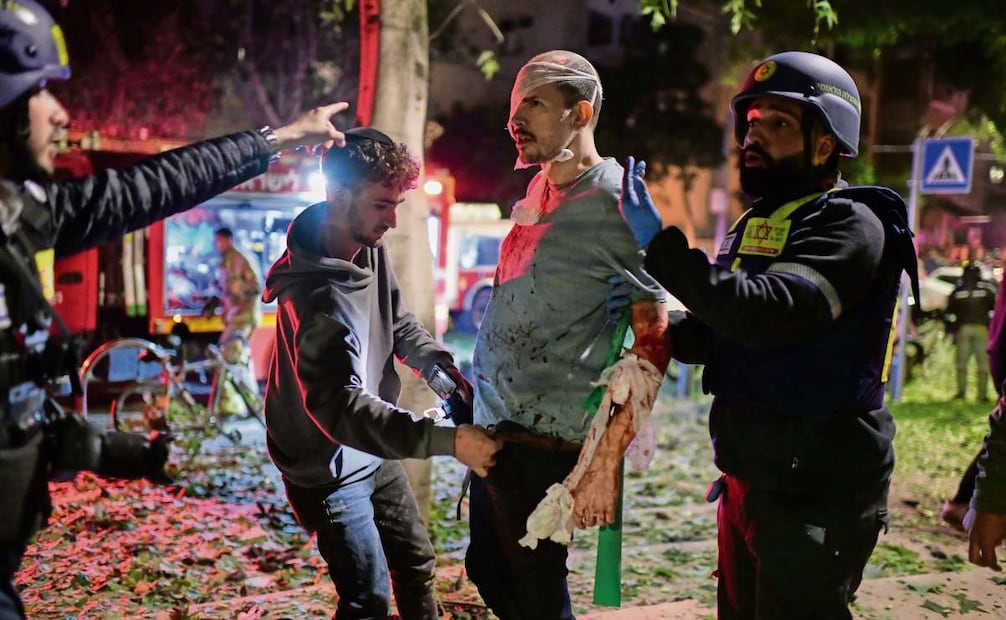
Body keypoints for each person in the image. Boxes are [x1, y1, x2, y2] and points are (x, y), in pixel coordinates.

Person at [0, 2, 350, 617]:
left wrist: (278, 139)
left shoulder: (20, 219)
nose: (60, 113)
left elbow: (153, 186)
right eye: (40, 92)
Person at [619, 51, 919, 619]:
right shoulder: (760, 225)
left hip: (819, 489)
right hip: (752, 481)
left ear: (825, 143)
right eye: (752, 122)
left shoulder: (851, 225)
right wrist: (646, 323)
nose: (754, 136)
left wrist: (663, 250)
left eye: (779, 123)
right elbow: (721, 334)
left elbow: (773, 312)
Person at [261, 126, 502, 619]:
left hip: (370, 448)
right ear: (337, 196)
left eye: (396, 204)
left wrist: (440, 372)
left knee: (415, 563)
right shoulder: (317, 302)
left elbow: (398, 323)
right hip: (325, 467)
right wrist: (450, 442)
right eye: (381, 205)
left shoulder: (366, 244)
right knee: (367, 599)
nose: (393, 220)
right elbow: (341, 409)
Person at [465, 50, 670, 619]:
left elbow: (653, 341)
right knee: (487, 569)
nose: (515, 119)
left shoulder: (615, 202)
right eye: (514, 105)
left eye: (533, 103)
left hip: (544, 446)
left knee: (536, 597)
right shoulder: (536, 194)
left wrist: (605, 463)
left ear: (580, 113)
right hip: (493, 431)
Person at [942, 274, 1006, 530]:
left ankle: (964, 504)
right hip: (979, 334)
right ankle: (964, 504)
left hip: (985, 336)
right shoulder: (963, 289)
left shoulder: (986, 288)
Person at [203, 226, 262, 412]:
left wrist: (236, 291)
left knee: (228, 356)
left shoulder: (242, 259)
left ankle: (233, 405)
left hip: (244, 317)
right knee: (237, 360)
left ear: (229, 240)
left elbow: (256, 286)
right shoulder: (225, 262)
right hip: (233, 317)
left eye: (219, 241)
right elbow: (221, 287)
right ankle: (246, 404)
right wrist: (213, 303)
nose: (217, 245)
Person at [944, 262, 997, 401]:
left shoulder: (958, 291)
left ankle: (962, 393)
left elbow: (949, 313)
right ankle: (981, 395)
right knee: (982, 364)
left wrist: (952, 330)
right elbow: (995, 310)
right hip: (981, 329)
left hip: (964, 329)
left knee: (963, 363)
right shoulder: (987, 290)